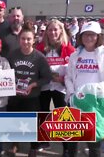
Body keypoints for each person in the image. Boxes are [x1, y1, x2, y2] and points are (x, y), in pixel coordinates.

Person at [65, 21, 104, 157]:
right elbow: (68, 77)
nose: (88, 38)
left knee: (94, 142)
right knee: (72, 140)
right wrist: (71, 94)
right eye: (85, 35)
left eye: (92, 35)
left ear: (98, 36)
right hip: (76, 101)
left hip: (95, 104)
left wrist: (101, 97)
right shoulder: (75, 55)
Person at [7, 23, 52, 157]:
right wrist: (10, 83)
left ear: (34, 40)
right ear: (19, 39)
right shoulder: (13, 55)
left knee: (32, 123)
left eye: (28, 39)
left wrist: (33, 85)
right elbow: (6, 72)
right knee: (14, 120)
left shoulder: (39, 57)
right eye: (23, 39)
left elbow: (47, 77)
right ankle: (15, 143)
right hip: (15, 95)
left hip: (31, 96)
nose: (26, 42)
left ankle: (33, 146)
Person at [35, 19, 75, 155]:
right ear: (46, 32)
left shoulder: (68, 48)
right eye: (50, 30)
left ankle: (66, 147)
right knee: (43, 113)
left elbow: (74, 71)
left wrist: (61, 79)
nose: (53, 32)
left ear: (60, 31)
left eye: (55, 29)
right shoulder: (40, 47)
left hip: (61, 88)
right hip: (44, 87)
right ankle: (44, 140)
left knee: (63, 117)